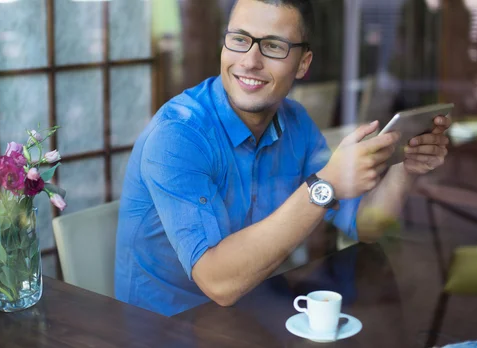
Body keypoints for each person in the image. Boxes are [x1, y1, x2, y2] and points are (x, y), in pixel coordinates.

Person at [115, 0, 451, 316]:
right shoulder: (178, 134)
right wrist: (327, 184)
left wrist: (405, 169)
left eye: (273, 46)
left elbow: (365, 225)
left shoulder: (295, 123)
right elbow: (218, 283)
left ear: (303, 63)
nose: (249, 60)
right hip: (167, 328)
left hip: (251, 311)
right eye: (239, 39)